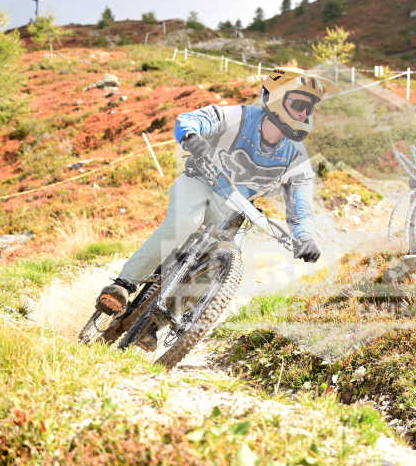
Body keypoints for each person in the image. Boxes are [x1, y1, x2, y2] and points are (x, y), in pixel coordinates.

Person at [95, 67, 325, 350]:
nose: (304, 114)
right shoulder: (239, 117)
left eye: (309, 108)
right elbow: (193, 119)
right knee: (185, 222)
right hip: (200, 182)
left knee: (218, 264)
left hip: (234, 209)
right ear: (276, 98)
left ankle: (153, 324)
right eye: (298, 104)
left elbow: (301, 205)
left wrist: (306, 238)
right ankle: (124, 285)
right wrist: (192, 136)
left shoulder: (296, 157)